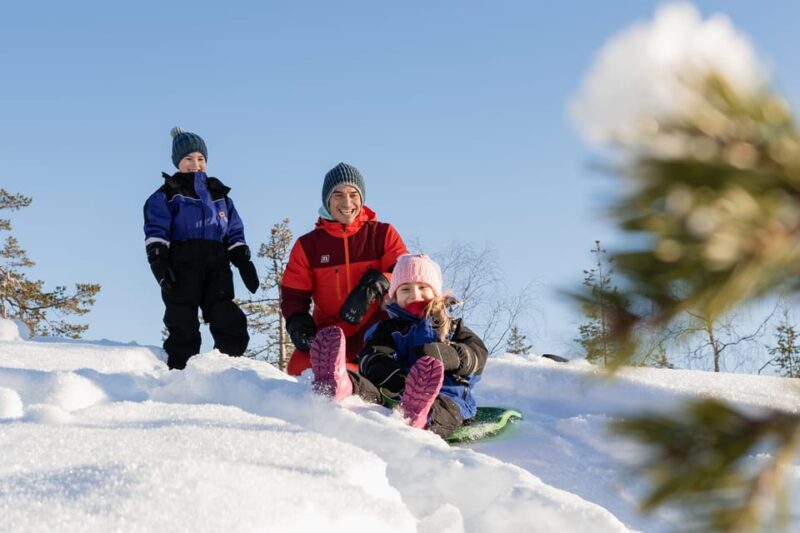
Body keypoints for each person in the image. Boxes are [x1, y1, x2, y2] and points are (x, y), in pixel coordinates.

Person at [309, 253, 488, 438]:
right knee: (368, 386)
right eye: (405, 289)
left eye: (422, 287)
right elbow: (371, 356)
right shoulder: (387, 329)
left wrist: (452, 355)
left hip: (447, 394)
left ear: (436, 292)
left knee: (447, 410)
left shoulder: (452, 327)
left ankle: (421, 416)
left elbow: (478, 356)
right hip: (395, 391)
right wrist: (390, 374)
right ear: (394, 296)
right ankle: (340, 383)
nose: (414, 295)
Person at [143, 127, 259, 370]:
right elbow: (157, 229)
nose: (195, 164)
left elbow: (233, 231)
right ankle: (179, 369)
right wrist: (159, 261)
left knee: (226, 314)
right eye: (188, 159)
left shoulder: (220, 195)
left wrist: (241, 259)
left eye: (200, 159)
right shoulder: (168, 193)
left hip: (216, 264)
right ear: (177, 162)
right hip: (182, 263)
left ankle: (230, 365)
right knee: (182, 316)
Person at [281, 162, 408, 375]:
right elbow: (294, 295)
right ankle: (342, 379)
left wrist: (376, 284)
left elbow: (405, 273)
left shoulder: (382, 234)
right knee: (299, 368)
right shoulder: (308, 245)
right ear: (327, 200)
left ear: (362, 198)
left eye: (353, 194)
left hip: (378, 328)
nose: (347, 202)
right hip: (331, 332)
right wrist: (298, 323)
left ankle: (361, 380)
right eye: (338, 195)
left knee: (382, 364)